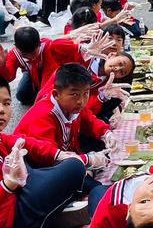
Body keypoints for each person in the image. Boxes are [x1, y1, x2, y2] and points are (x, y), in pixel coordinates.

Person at [0, 76, 89, 228]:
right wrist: (7, 186)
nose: (2, 110)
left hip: (16, 193)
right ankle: (56, 211)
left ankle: (57, 207)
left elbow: (24, 142)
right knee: (74, 168)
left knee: (62, 163)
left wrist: (58, 154)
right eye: (74, 94)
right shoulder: (45, 111)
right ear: (57, 94)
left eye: (6, 103)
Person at [14, 63, 116, 193]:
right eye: (74, 94)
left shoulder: (72, 106)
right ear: (56, 94)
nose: (81, 101)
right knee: (94, 187)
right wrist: (87, 160)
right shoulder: (42, 115)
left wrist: (106, 133)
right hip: (35, 171)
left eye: (86, 93)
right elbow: (49, 156)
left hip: (62, 158)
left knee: (100, 145)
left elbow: (89, 120)